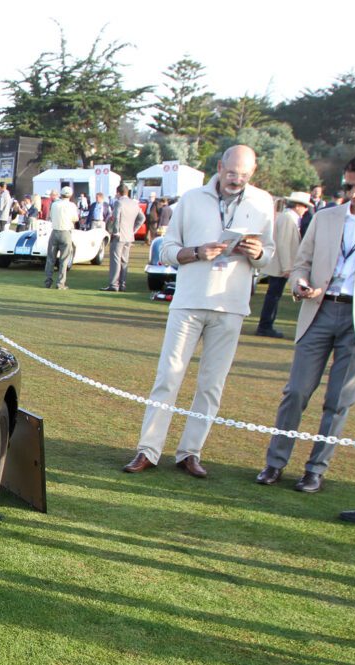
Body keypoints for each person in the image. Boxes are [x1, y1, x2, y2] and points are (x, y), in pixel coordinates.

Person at [122, 145, 275, 478]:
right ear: (220, 167)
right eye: (232, 172)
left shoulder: (263, 202)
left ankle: (190, 452)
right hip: (189, 301)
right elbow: (166, 250)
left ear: (253, 173)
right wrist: (196, 252)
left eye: (244, 175)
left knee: (211, 385)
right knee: (168, 377)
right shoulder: (191, 199)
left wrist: (258, 251)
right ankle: (148, 450)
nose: (236, 180)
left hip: (231, 305)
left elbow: (270, 257)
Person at [254, 153, 355, 494]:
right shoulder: (326, 217)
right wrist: (300, 283)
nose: (352, 193)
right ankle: (275, 463)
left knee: (339, 401)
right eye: (347, 186)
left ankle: (315, 470)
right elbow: (301, 263)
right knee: (295, 392)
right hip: (319, 311)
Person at [253, 192, 312, 337]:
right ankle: (265, 326)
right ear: (298, 206)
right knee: (273, 296)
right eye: (304, 207)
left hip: (281, 264)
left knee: (274, 295)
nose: (305, 210)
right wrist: (287, 267)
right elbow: (283, 244)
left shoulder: (289, 217)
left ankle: (266, 325)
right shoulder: (287, 218)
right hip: (280, 265)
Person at [101, 185, 145, 292]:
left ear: (118, 193)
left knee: (115, 260)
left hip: (119, 235)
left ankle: (113, 285)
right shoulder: (134, 203)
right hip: (129, 236)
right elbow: (142, 218)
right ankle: (122, 284)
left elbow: (116, 217)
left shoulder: (119, 202)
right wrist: (133, 230)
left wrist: (115, 231)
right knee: (124, 261)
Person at [42, 186, 79, 289]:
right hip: (66, 232)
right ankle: (60, 283)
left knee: (50, 259)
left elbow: (50, 217)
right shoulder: (72, 205)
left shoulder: (54, 205)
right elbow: (75, 219)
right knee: (64, 260)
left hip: (54, 232)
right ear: (70, 195)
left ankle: (47, 282)